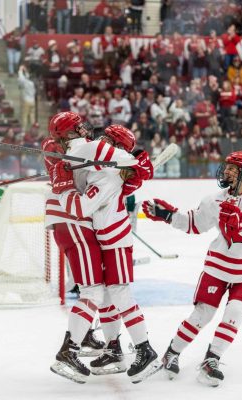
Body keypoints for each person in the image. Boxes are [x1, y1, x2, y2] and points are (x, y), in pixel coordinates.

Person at [142, 151, 242, 387]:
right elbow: (195, 224)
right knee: (203, 314)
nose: (227, 171)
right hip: (219, 265)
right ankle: (172, 352)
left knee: (235, 313)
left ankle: (212, 360)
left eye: (233, 168)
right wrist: (168, 215)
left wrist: (239, 220)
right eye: (228, 166)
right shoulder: (215, 199)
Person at [52, 125, 160, 383]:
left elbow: (82, 206)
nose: (99, 139)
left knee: (119, 292)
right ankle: (113, 349)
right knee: (109, 295)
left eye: (106, 139)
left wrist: (62, 189)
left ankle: (145, 349)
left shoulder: (108, 172)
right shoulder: (107, 167)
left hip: (116, 240)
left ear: (114, 145)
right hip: (108, 239)